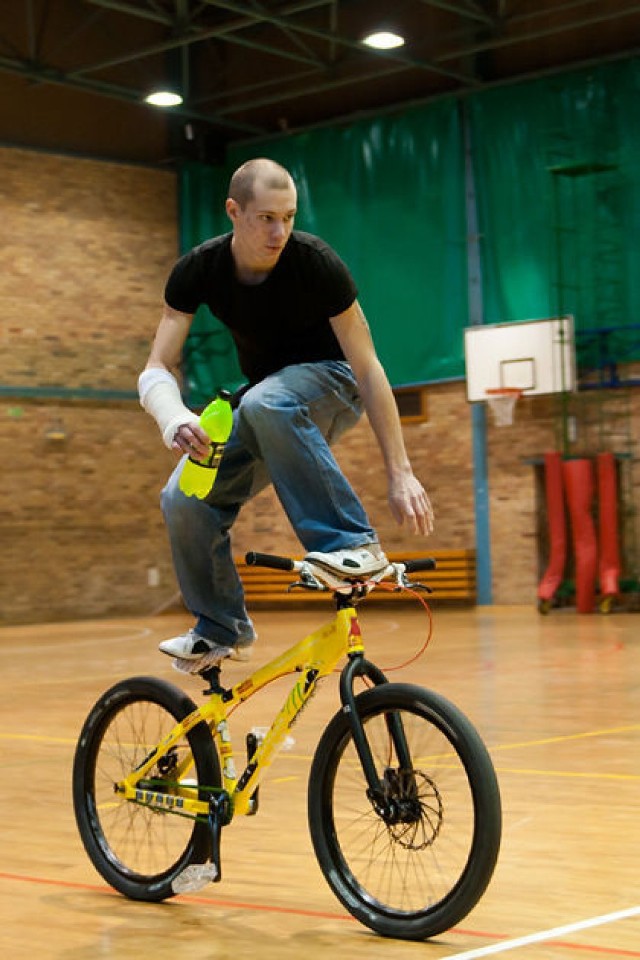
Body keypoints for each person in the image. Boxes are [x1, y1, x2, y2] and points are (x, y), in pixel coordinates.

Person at [139, 158, 433, 674]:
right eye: (266, 218)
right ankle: (220, 627)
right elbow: (156, 367)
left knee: (266, 401)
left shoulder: (316, 263)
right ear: (234, 211)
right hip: (267, 398)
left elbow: (367, 367)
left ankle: (350, 544)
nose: (281, 232)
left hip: (333, 382)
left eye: (290, 217)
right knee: (182, 498)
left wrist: (401, 470)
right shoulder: (199, 270)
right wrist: (173, 416)